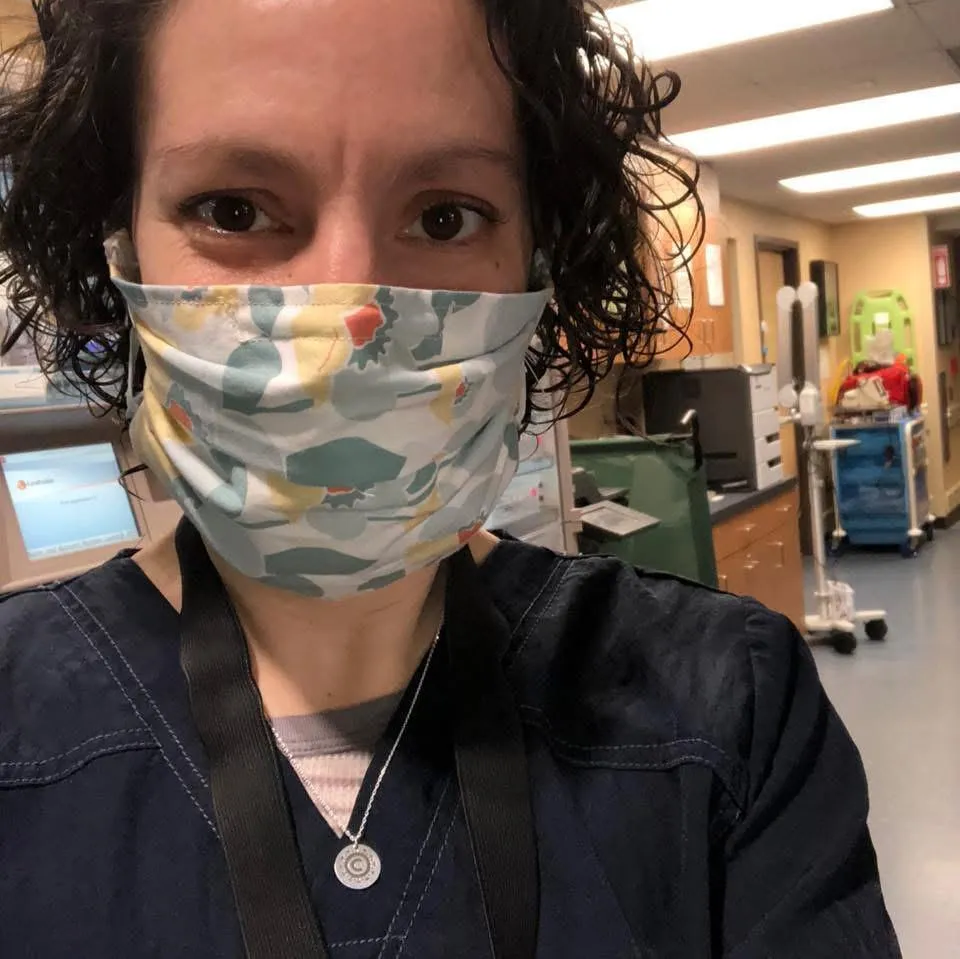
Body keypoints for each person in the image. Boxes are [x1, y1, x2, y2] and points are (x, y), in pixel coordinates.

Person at [0, 1, 901, 956]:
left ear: (539, 264)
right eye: (233, 210)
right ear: (118, 247)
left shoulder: (729, 712)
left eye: (444, 217)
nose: (350, 309)